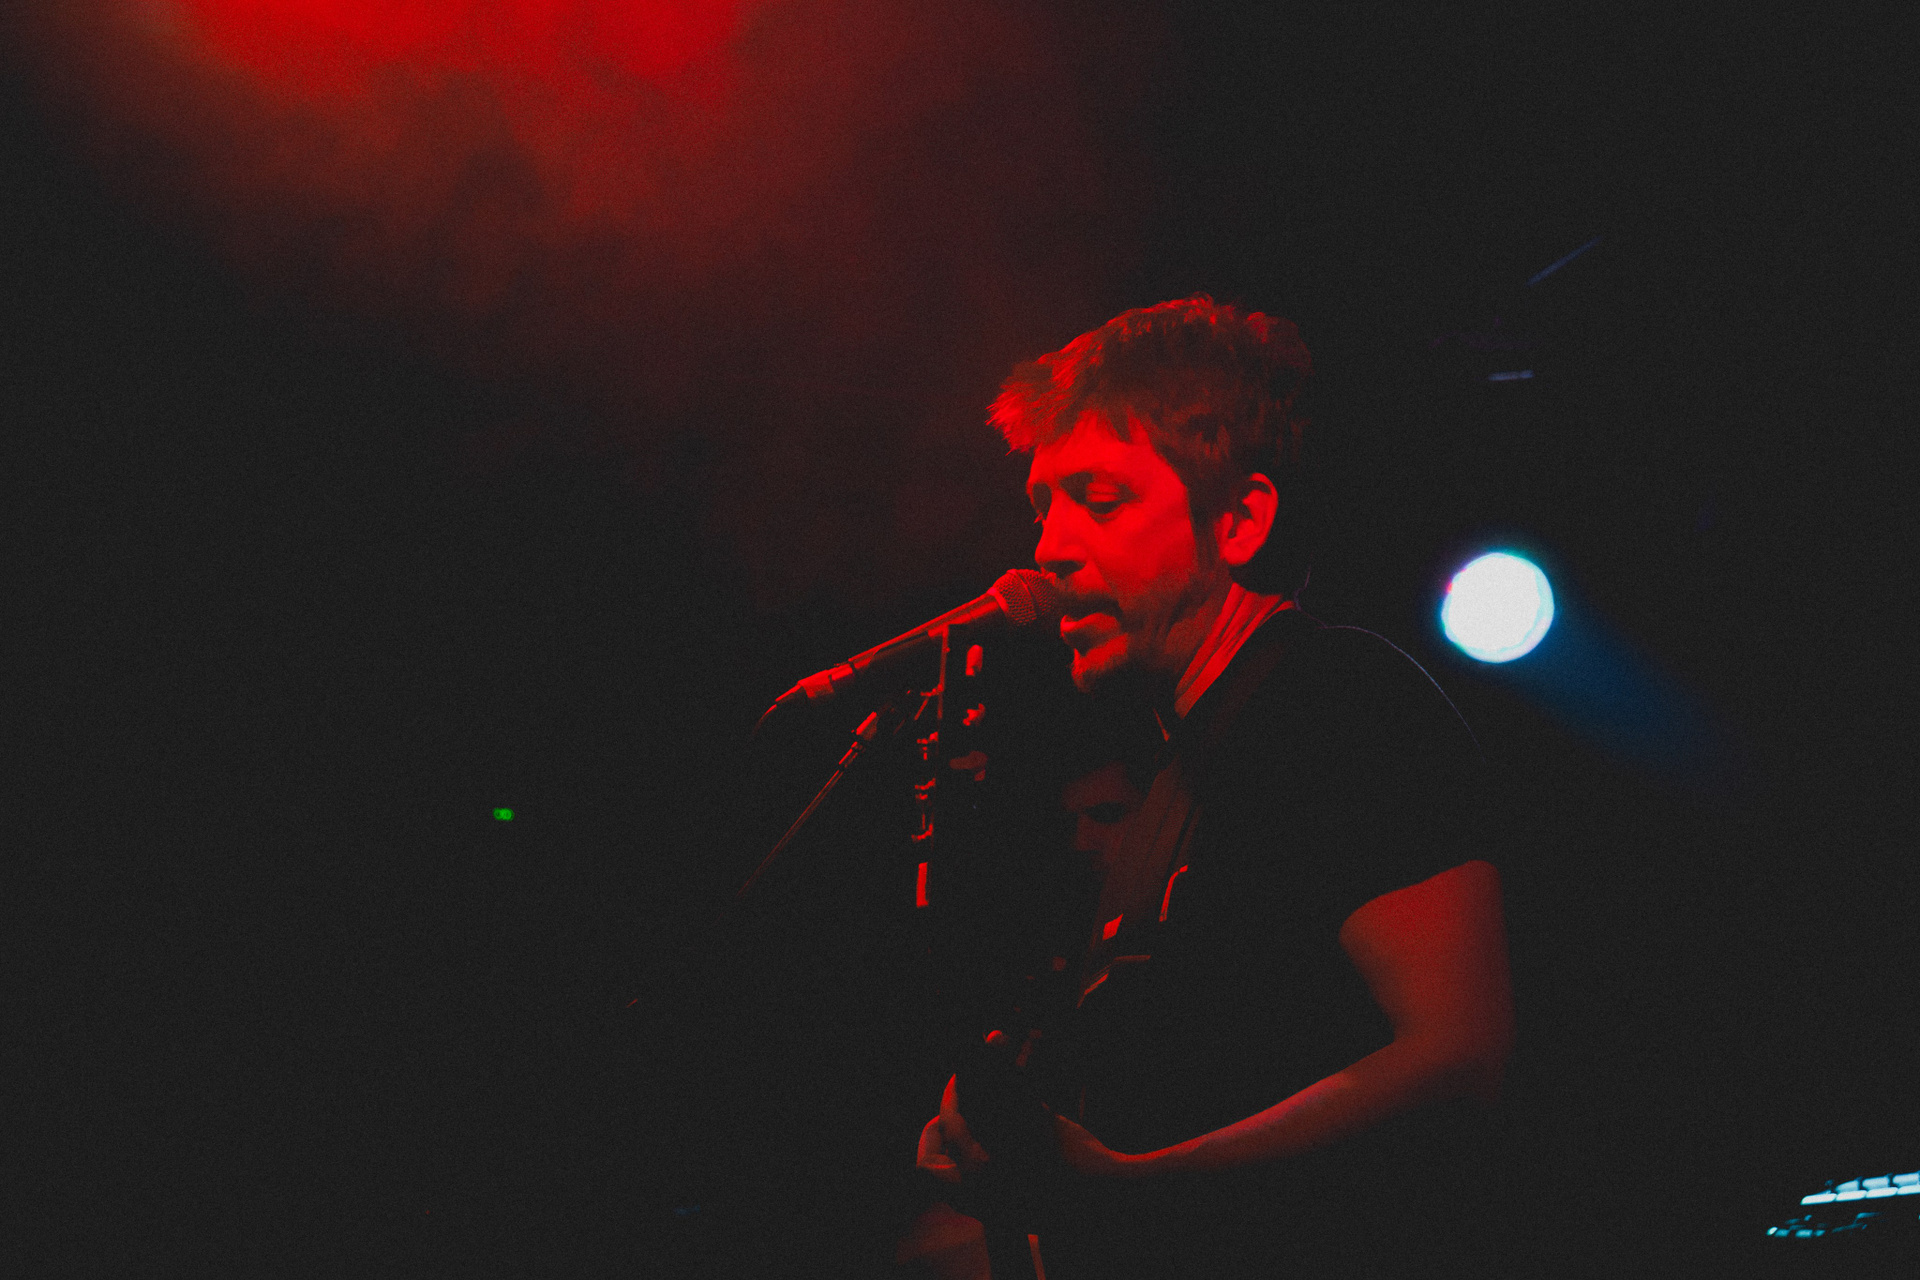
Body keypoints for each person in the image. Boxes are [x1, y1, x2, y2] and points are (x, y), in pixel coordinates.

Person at [902, 296, 1514, 1278]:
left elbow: (1457, 1058)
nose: (1049, 547)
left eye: (1099, 500)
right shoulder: (1171, 775)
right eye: (1044, 506)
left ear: (1239, 518)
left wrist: (1127, 1185)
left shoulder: (1338, 701)